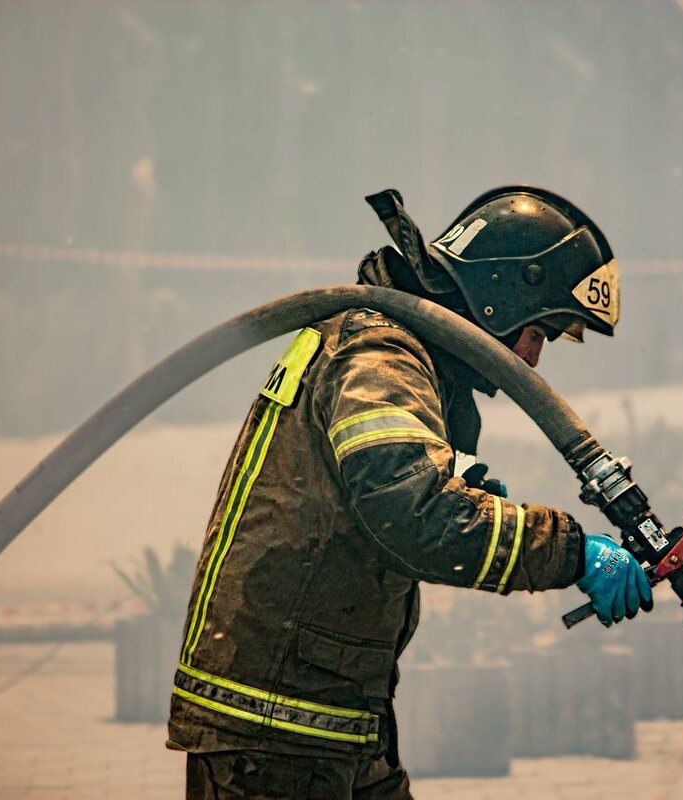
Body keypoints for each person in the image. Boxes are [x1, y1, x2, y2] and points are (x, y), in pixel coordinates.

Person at [168, 186, 654, 798]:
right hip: (274, 733)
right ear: (500, 298)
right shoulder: (380, 353)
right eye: (541, 333)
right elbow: (414, 517)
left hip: (327, 720)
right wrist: (572, 552)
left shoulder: (404, 354)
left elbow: (385, 507)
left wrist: (468, 492)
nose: (533, 362)